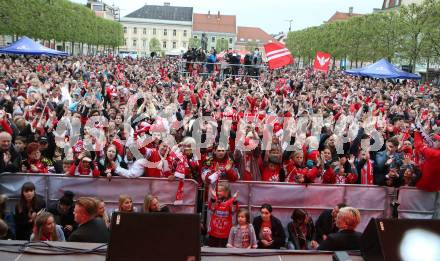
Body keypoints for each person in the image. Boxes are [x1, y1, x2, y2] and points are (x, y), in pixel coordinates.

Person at [207, 182, 239, 247]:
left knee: (224, 248)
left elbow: (233, 210)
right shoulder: (214, 200)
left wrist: (234, 201)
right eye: (217, 191)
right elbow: (212, 209)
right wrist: (213, 199)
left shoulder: (230, 201)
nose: (218, 193)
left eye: (220, 191)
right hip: (214, 230)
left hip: (225, 231)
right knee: (212, 247)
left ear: (226, 192)